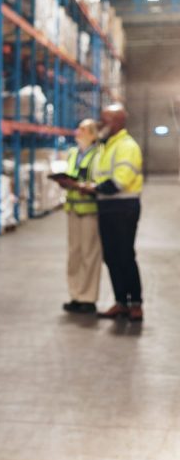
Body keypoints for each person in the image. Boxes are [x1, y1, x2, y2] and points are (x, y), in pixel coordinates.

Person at [69, 103, 144, 323]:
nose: (101, 124)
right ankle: (121, 302)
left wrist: (90, 188)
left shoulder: (127, 146)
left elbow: (120, 181)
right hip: (106, 206)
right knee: (111, 257)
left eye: (106, 120)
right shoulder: (107, 146)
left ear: (119, 121)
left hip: (123, 207)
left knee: (125, 256)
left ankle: (136, 304)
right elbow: (100, 176)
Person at [60, 119, 101, 314]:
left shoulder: (98, 154)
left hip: (90, 210)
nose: (78, 132)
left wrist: (84, 186)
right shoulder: (73, 153)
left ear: (92, 134)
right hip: (73, 208)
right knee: (74, 253)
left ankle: (88, 297)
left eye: (83, 129)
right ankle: (75, 294)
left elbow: (100, 180)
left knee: (89, 253)